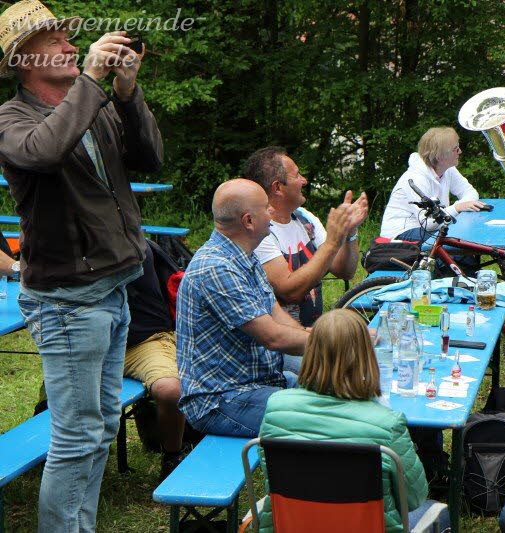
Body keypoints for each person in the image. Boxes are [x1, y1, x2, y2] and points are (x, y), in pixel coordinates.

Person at [0, 1, 162, 529]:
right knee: (74, 436)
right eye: (55, 41)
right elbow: (44, 152)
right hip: (67, 300)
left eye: (71, 39)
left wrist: (127, 90)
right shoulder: (11, 118)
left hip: (113, 291)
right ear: (23, 60)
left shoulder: (92, 103)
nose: (71, 46)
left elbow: (151, 158)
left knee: (96, 429)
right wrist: (92, 77)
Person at [259, 309, 449, 533]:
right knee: (440, 513)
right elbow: (415, 498)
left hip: (294, 526)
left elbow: (272, 482)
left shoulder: (276, 409)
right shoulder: (387, 424)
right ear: (367, 354)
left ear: (309, 352)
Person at [176, 179, 309, 438]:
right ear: (248, 221)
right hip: (222, 399)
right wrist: (337, 342)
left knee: (334, 386)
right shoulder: (216, 267)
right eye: (266, 207)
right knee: (326, 418)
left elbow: (278, 316)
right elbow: (273, 337)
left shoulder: (245, 255)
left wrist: (319, 342)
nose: (272, 211)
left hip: (259, 382)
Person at [242, 146, 367, 327]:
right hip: (286, 346)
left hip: (310, 338)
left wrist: (349, 233)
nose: (304, 180)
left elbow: (344, 271)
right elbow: (290, 292)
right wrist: (332, 242)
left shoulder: (303, 217)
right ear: (278, 187)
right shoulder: (259, 231)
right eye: (297, 175)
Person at [124, 241, 184, 480]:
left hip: (143, 340)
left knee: (170, 390)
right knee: (56, 390)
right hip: (89, 344)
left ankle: (172, 454)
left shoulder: (131, 243)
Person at [380, 126, 485, 241]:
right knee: (455, 243)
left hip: (429, 227)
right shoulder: (416, 179)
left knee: (463, 242)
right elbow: (427, 223)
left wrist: (461, 206)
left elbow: (470, 192)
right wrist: (457, 208)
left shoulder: (448, 169)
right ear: (440, 157)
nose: (460, 151)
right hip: (402, 232)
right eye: (455, 149)